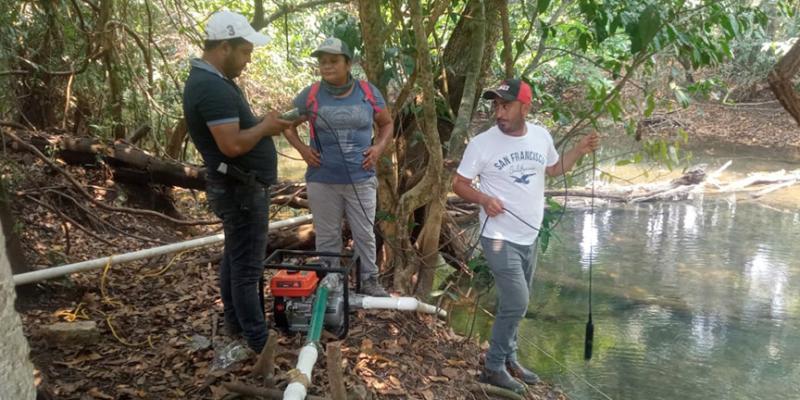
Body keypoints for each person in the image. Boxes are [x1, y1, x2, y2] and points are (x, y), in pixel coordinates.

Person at [453, 79, 599, 393]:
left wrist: (581, 149)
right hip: (497, 236)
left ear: (525, 107)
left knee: (513, 301)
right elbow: (459, 183)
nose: (499, 112)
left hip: (529, 235)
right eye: (496, 105)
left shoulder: (541, 136)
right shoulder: (482, 144)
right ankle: (492, 367)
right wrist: (483, 199)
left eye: (505, 105)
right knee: (519, 301)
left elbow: (555, 169)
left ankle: (510, 357)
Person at [182, 10, 291, 352]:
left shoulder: (213, 81)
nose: (247, 61)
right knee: (248, 269)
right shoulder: (211, 87)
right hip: (240, 189)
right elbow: (231, 145)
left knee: (235, 257)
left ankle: (236, 325)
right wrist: (265, 128)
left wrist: (265, 123)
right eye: (244, 53)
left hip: (237, 187)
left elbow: (236, 133)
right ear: (225, 47)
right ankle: (259, 342)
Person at [283, 37, 393, 297]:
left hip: (361, 177)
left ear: (348, 63)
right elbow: (284, 123)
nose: (327, 66)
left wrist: (377, 149)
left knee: (365, 232)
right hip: (322, 179)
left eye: (333, 61)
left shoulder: (368, 92)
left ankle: (369, 280)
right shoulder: (310, 95)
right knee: (327, 234)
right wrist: (302, 149)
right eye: (322, 62)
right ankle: (331, 279)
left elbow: (387, 124)